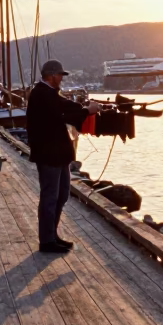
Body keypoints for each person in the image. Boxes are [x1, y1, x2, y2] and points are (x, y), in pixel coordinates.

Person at [26, 59, 100, 254]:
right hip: (49, 155)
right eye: (59, 75)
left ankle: (52, 234)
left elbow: (65, 105)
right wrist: (87, 111)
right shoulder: (41, 94)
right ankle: (46, 241)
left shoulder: (49, 93)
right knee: (50, 197)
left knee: (61, 195)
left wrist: (84, 107)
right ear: (51, 75)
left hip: (59, 155)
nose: (61, 78)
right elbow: (62, 113)